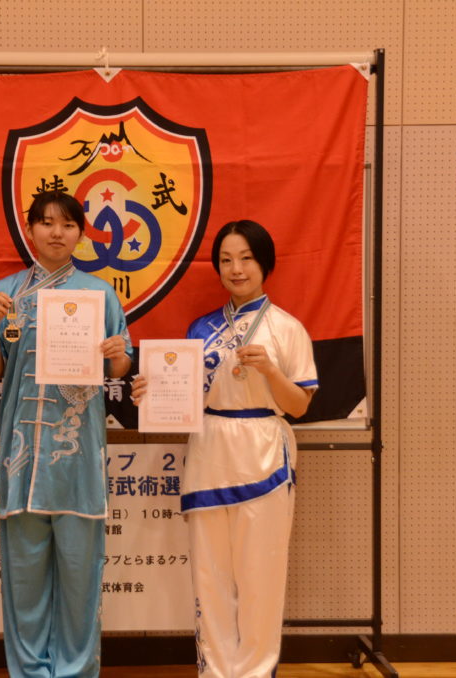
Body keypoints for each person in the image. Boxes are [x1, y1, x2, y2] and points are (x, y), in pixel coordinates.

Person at [132, 219, 317, 678]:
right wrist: (150, 395)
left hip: (264, 451)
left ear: (265, 263)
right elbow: (184, 400)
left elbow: (298, 406)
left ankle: (255, 671)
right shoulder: (201, 328)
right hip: (209, 449)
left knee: (261, 576)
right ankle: (215, 670)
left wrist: (271, 371)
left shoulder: (287, 328)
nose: (236, 269)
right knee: (209, 577)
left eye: (246, 258)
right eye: (226, 260)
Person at [0, 190, 132, 678]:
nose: (56, 233)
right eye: (46, 223)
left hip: (77, 459)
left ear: (81, 233)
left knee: (81, 578)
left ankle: (76, 671)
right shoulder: (7, 294)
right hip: (22, 458)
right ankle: (29, 671)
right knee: (23, 579)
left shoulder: (99, 294)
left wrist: (116, 354)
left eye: (67, 224)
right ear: (29, 230)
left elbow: (122, 366)